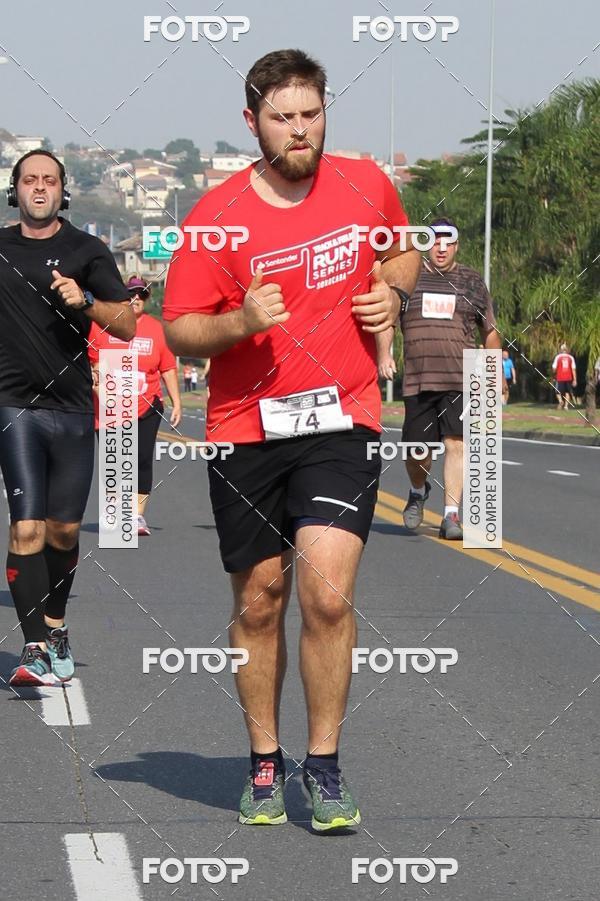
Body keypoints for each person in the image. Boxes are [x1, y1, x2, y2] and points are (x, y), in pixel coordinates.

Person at [163, 49, 421, 831]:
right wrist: (241, 320)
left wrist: (390, 291)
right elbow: (180, 326)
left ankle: (327, 764)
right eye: (283, 117)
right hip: (247, 426)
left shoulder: (364, 182)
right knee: (259, 601)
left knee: (326, 591)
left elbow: (401, 249)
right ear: (253, 123)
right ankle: (265, 761)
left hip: (343, 416)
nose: (300, 129)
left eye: (311, 113)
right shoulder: (217, 217)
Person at [0, 150, 135, 686]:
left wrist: (85, 302)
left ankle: (55, 625)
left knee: (63, 529)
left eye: (49, 180)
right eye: (29, 179)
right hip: (13, 406)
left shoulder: (87, 249)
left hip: (75, 407)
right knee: (26, 525)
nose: (39, 187)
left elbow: (125, 321)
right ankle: (33, 645)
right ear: (15, 190)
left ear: (62, 191)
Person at [377, 217, 501, 540]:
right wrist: (385, 353)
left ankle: (451, 515)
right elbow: (388, 320)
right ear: (426, 244)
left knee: (457, 444)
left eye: (448, 242)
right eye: (435, 241)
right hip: (419, 379)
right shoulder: (410, 277)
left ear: (457, 245)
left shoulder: (472, 281)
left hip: (462, 379)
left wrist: (495, 371)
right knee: (417, 451)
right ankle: (418, 490)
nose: (441, 248)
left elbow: (490, 332)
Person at [88, 276, 181, 536]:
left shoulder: (157, 328)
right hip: (109, 406)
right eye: (131, 294)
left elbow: (168, 368)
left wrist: (177, 402)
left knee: (140, 458)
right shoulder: (102, 326)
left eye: (142, 295)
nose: (136, 299)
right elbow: (93, 364)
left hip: (147, 403)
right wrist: (98, 389)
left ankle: (136, 516)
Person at [552, 344, 577, 409]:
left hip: (560, 377)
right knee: (567, 392)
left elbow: (554, 368)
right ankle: (566, 406)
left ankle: (560, 401)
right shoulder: (571, 357)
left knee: (557, 391)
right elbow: (573, 369)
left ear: (561, 350)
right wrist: (575, 379)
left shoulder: (558, 357)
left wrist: (554, 374)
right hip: (568, 377)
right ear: (567, 350)